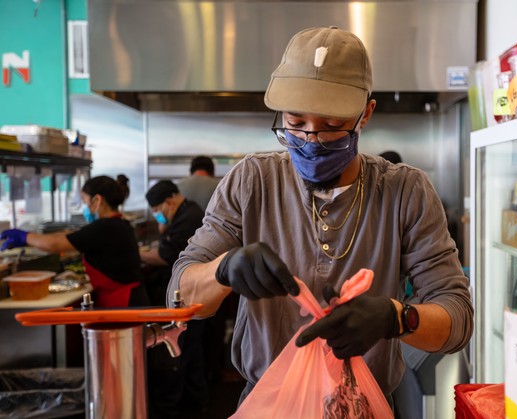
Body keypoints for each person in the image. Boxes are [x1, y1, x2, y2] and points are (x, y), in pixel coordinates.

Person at [167, 26, 474, 408]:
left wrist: (397, 318)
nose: (312, 141)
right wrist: (223, 269)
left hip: (364, 406)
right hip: (266, 404)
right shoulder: (252, 182)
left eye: (331, 127)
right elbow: (180, 292)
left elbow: (458, 319)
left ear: (365, 115)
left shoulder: (405, 192)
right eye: (295, 123)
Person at [0, 175, 149, 308]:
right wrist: (30, 239)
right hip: (127, 300)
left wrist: (24, 236)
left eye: (85, 202)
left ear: (97, 200)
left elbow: (55, 245)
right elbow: (69, 235)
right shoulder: (116, 224)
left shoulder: (104, 227)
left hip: (122, 303)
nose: (85, 208)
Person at [140, 180, 208, 418]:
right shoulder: (186, 211)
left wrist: (136, 253)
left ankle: (183, 406)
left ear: (168, 202)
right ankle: (195, 403)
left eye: (157, 210)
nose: (157, 216)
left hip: (188, 296)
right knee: (190, 350)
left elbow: (165, 256)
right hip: (190, 295)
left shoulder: (187, 218)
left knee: (182, 351)